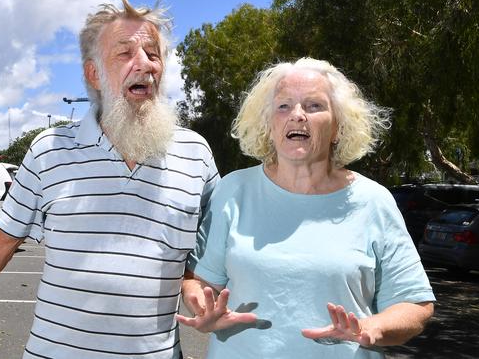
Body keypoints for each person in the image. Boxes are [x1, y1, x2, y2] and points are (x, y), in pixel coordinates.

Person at [0, 0, 224, 358]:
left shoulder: (196, 155)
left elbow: (210, 252)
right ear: (94, 73)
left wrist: (195, 285)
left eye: (153, 53)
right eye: (125, 52)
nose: (144, 64)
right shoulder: (50, 150)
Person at [177, 58, 435, 358]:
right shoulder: (233, 190)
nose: (297, 115)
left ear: (339, 126)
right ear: (268, 124)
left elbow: (415, 305)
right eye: (284, 106)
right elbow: (198, 281)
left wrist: (370, 328)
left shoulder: (373, 201)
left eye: (314, 106)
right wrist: (203, 308)